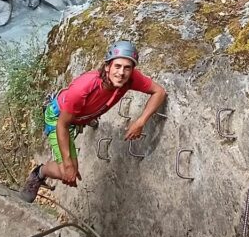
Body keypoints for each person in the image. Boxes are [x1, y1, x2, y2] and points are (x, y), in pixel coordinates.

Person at [19, 39, 166, 202]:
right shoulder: (84, 87)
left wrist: (140, 122)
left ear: (132, 70)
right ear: (107, 66)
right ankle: (39, 173)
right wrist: (68, 165)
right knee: (67, 173)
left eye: (127, 67)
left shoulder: (130, 79)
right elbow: (62, 125)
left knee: (86, 112)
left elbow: (159, 91)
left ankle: (87, 119)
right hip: (58, 117)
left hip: (81, 114)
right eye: (117, 66)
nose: (121, 72)